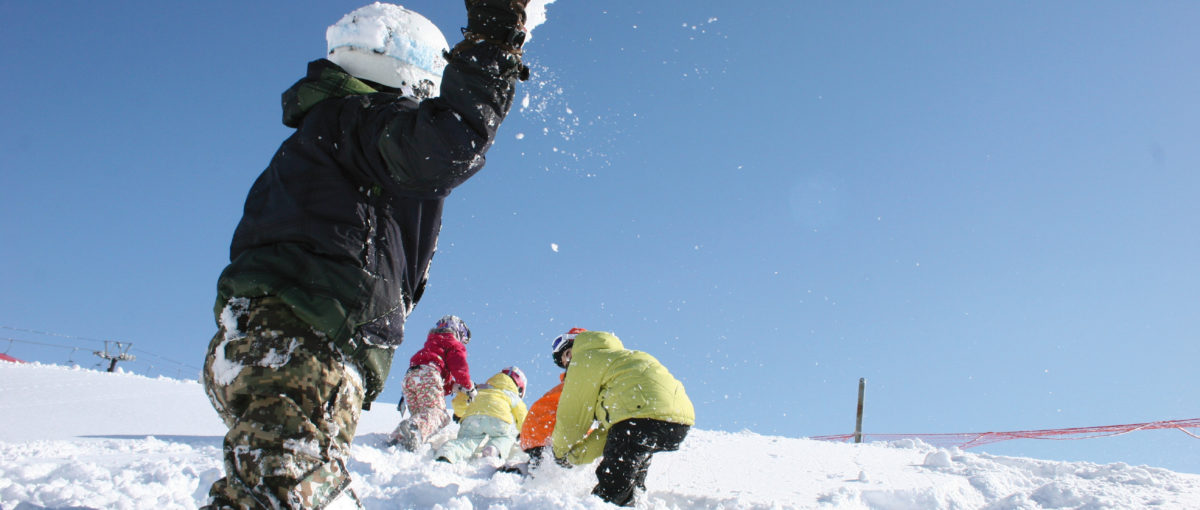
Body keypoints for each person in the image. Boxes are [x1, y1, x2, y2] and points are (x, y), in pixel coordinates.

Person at [200, 1, 531, 507]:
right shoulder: (360, 119)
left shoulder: (324, 138)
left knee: (296, 489)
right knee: (282, 495)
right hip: (307, 339)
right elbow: (446, 145)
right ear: (410, 69)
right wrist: (494, 41)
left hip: (278, 339)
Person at [551, 330, 695, 507]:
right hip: (677, 424)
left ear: (577, 344)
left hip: (640, 418)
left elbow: (571, 416)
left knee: (612, 489)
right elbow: (608, 434)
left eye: (566, 354)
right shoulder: (621, 363)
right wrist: (576, 456)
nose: (567, 362)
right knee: (631, 478)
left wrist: (560, 453)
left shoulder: (585, 359)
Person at [389, 315, 476, 450]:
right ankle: (412, 430)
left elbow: (436, 384)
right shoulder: (453, 343)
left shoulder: (432, 343)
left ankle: (399, 438)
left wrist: (454, 387)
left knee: (422, 415)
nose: (462, 340)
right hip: (429, 373)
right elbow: (459, 366)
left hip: (411, 378)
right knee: (439, 415)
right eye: (463, 335)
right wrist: (468, 386)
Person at [514, 327, 587, 469]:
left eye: (568, 354)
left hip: (535, 437)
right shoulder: (580, 379)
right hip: (549, 436)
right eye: (565, 357)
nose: (566, 361)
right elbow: (579, 414)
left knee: (541, 467)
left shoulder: (569, 382)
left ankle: (524, 471)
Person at [435, 366, 528, 464]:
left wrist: (459, 413)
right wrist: (523, 432)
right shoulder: (512, 394)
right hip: (498, 419)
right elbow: (522, 415)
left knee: (466, 440)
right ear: (520, 388)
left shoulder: (481, 387)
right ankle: (493, 450)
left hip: (473, 418)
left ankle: (447, 454)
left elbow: (461, 400)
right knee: (505, 437)